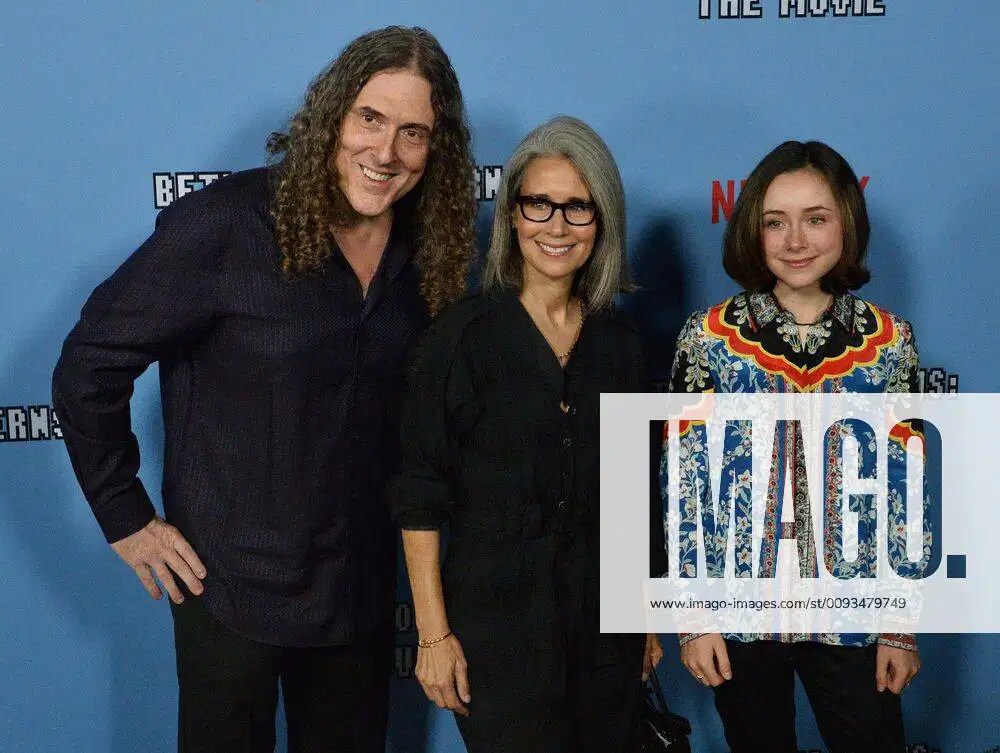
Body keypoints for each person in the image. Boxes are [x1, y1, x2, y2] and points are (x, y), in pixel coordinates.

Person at [52, 26, 476, 753]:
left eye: (413, 133)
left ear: (435, 149)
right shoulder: (225, 225)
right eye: (369, 119)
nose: (385, 152)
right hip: (229, 590)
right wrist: (125, 514)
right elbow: (89, 363)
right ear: (332, 115)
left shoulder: (427, 251)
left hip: (357, 598)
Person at [390, 115, 665, 753]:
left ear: (603, 221)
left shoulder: (620, 345)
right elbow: (419, 495)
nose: (557, 226)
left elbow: (632, 499)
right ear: (513, 215)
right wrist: (432, 635)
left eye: (578, 207)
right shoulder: (461, 338)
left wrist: (645, 613)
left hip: (606, 639)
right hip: (497, 639)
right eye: (539, 204)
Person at [663, 140, 922, 752]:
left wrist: (901, 627)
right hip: (741, 616)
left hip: (857, 614)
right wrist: (693, 617)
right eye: (775, 222)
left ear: (847, 225)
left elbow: (904, 489)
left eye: (816, 219)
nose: (796, 241)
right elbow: (682, 484)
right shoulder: (708, 339)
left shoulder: (889, 342)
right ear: (753, 229)